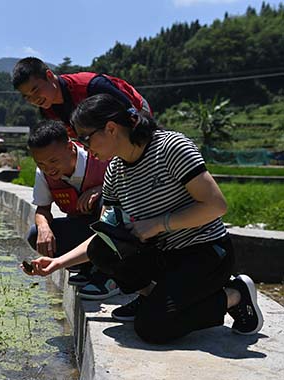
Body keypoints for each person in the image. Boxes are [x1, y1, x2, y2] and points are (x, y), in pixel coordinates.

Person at [23, 93, 264, 343]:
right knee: (102, 249)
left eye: (85, 137)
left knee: (152, 327)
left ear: (111, 128)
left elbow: (216, 205)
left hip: (205, 252)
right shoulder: (115, 171)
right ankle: (152, 295)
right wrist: (58, 263)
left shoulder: (170, 148)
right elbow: (105, 235)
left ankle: (234, 295)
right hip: (163, 256)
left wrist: (160, 224)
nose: (84, 146)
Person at [26, 120, 119, 300]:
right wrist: (44, 227)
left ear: (70, 147)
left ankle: (109, 275)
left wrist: (101, 188)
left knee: (104, 203)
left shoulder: (101, 158)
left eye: (53, 161)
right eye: (41, 164)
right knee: (35, 233)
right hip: (84, 227)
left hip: (115, 230)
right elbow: (42, 209)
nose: (48, 169)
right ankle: (86, 267)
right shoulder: (44, 173)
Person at [12, 57, 152, 139]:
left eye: (35, 90)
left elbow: (132, 115)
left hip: (135, 111)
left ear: (49, 76)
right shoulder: (48, 111)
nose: (34, 99)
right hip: (101, 136)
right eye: (27, 97)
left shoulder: (91, 85)